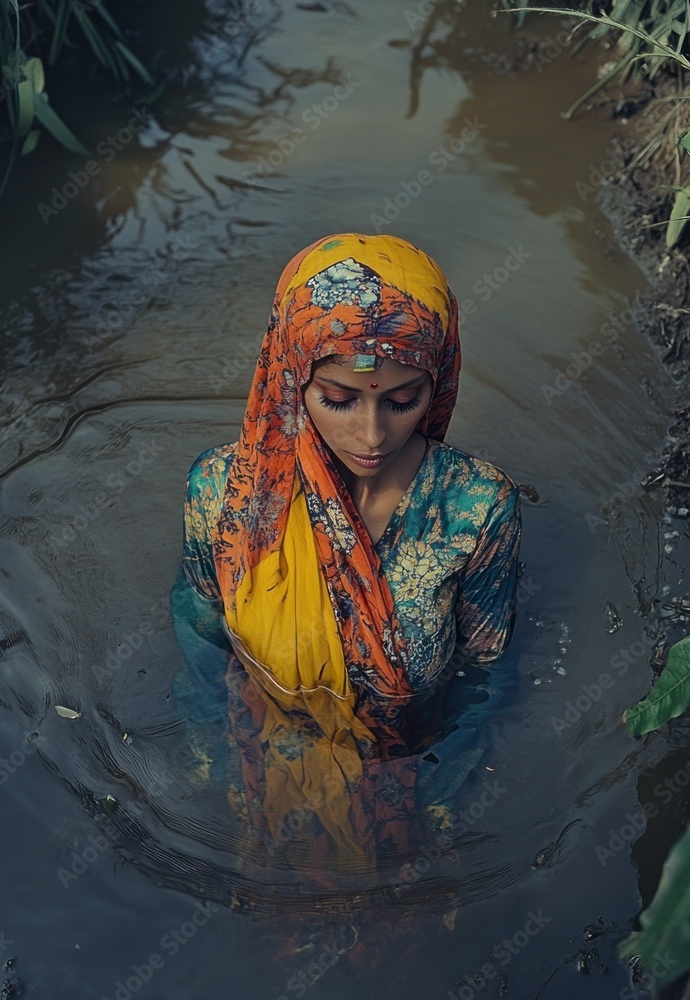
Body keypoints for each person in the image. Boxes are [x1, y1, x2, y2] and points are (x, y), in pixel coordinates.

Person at [171, 233, 521, 884]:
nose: (371, 434)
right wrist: (208, 755)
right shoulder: (225, 495)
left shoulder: (475, 507)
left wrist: (440, 797)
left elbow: (483, 674)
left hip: (406, 775)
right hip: (260, 762)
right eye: (338, 398)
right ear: (290, 377)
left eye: (402, 400)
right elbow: (199, 626)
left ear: (440, 379)